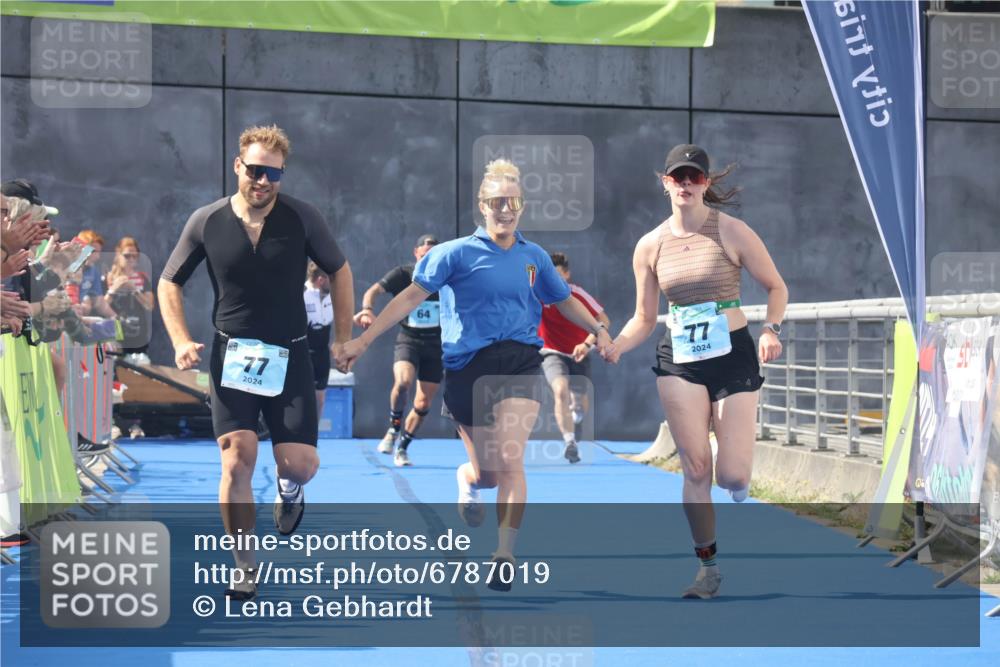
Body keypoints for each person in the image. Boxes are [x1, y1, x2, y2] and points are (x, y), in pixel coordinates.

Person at [337, 159, 612, 591]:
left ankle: (504, 552)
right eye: (497, 202)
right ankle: (466, 479)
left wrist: (600, 330)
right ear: (482, 206)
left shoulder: (534, 256)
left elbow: (562, 301)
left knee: (511, 460)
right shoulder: (453, 253)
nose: (506, 209)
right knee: (486, 473)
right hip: (468, 368)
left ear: (522, 205)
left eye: (514, 201)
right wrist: (362, 342)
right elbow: (410, 297)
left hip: (521, 361)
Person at [158, 124, 354, 601]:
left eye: (273, 173)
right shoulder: (206, 220)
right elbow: (169, 281)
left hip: (290, 355)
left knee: (300, 463)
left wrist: (344, 337)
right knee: (236, 459)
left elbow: (340, 270)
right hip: (233, 357)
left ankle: (290, 491)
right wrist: (181, 339)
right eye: (255, 170)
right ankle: (244, 565)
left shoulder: (302, 218)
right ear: (237, 166)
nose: (263, 181)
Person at [604, 144, 787, 600]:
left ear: (706, 183)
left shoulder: (731, 230)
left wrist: (771, 329)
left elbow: (776, 286)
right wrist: (618, 345)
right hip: (680, 360)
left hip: (732, 355)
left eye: (695, 177)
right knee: (696, 467)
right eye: (677, 177)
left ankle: (734, 458)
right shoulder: (650, 244)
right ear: (665, 182)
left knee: (733, 477)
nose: (686, 184)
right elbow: (645, 316)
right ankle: (707, 568)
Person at [354, 234, 442, 467]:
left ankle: (402, 447)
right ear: (416, 254)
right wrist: (366, 310)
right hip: (409, 340)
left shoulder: (447, 278)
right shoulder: (404, 274)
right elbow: (372, 291)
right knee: (403, 383)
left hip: (437, 346)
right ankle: (393, 428)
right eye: (424, 256)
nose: (428, 260)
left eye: (433, 256)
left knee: (423, 404)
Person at [538, 252, 610, 464]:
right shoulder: (537, 292)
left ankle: (576, 415)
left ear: (567, 275)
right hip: (551, 351)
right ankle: (569, 442)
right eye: (550, 276)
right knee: (560, 391)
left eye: (558, 276)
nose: (554, 281)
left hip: (579, 353)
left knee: (579, 402)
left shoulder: (577, 294)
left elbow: (604, 321)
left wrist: (587, 344)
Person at [105, 236, 154, 365]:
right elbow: (100, 307)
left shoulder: (142, 278)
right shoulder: (108, 277)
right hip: (115, 334)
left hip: (137, 334)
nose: (131, 260)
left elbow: (150, 306)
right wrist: (113, 290)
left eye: (135, 256)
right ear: (118, 254)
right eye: (127, 256)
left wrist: (135, 290)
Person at [303, 261, 333, 419]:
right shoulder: (302, 294)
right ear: (321, 279)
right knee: (302, 397)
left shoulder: (332, 295)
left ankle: (313, 436)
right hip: (303, 353)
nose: (333, 281)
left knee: (319, 398)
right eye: (330, 278)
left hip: (322, 353)